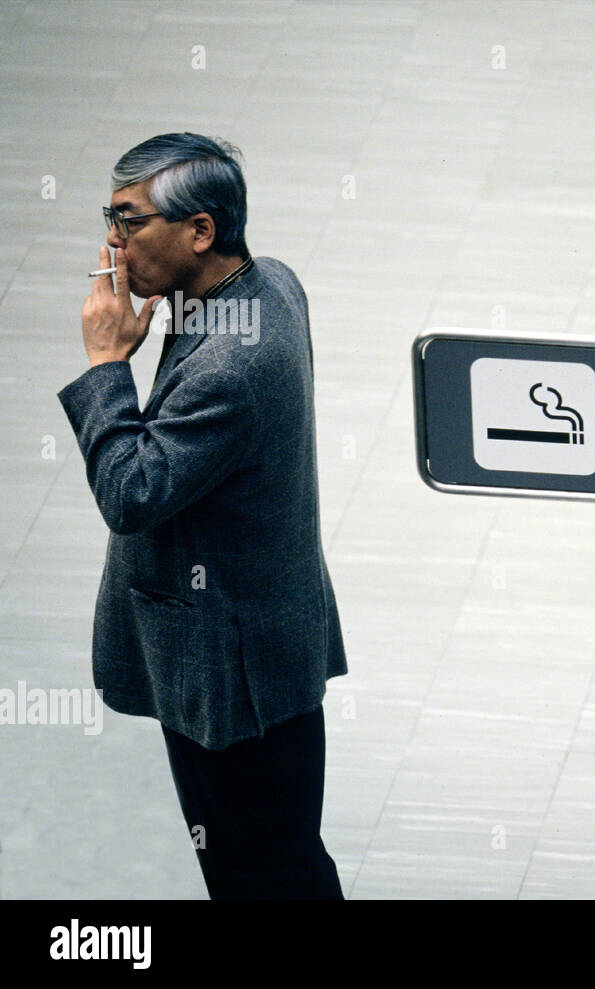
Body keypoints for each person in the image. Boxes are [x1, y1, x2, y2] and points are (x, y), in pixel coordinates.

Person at [58, 133, 348, 899]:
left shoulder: (230, 361)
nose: (111, 243)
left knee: (259, 876)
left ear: (200, 231)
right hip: (267, 648)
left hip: (231, 681)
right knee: (286, 861)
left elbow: (131, 492)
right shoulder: (270, 286)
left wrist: (105, 364)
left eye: (129, 221)